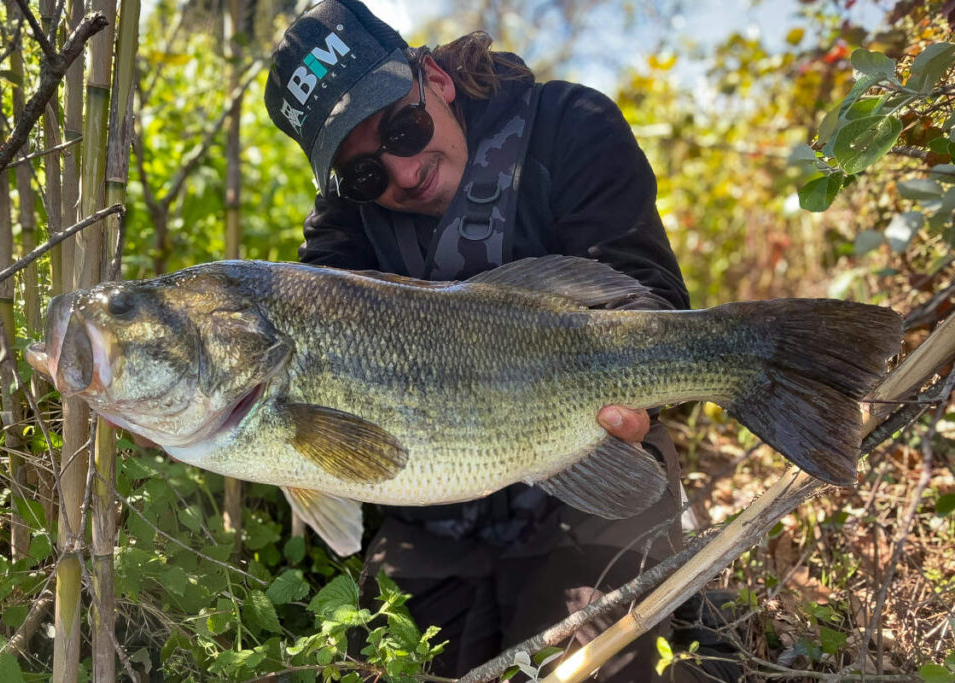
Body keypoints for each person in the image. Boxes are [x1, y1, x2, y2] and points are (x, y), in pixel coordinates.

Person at [263, 2, 718, 680]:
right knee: (389, 666)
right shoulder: (343, 230)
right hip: (435, 512)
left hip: (590, 460)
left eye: (404, 128)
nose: (402, 172)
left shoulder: (571, 126)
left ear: (434, 80)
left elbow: (647, 295)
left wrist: (641, 397)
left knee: (610, 664)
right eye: (364, 174)